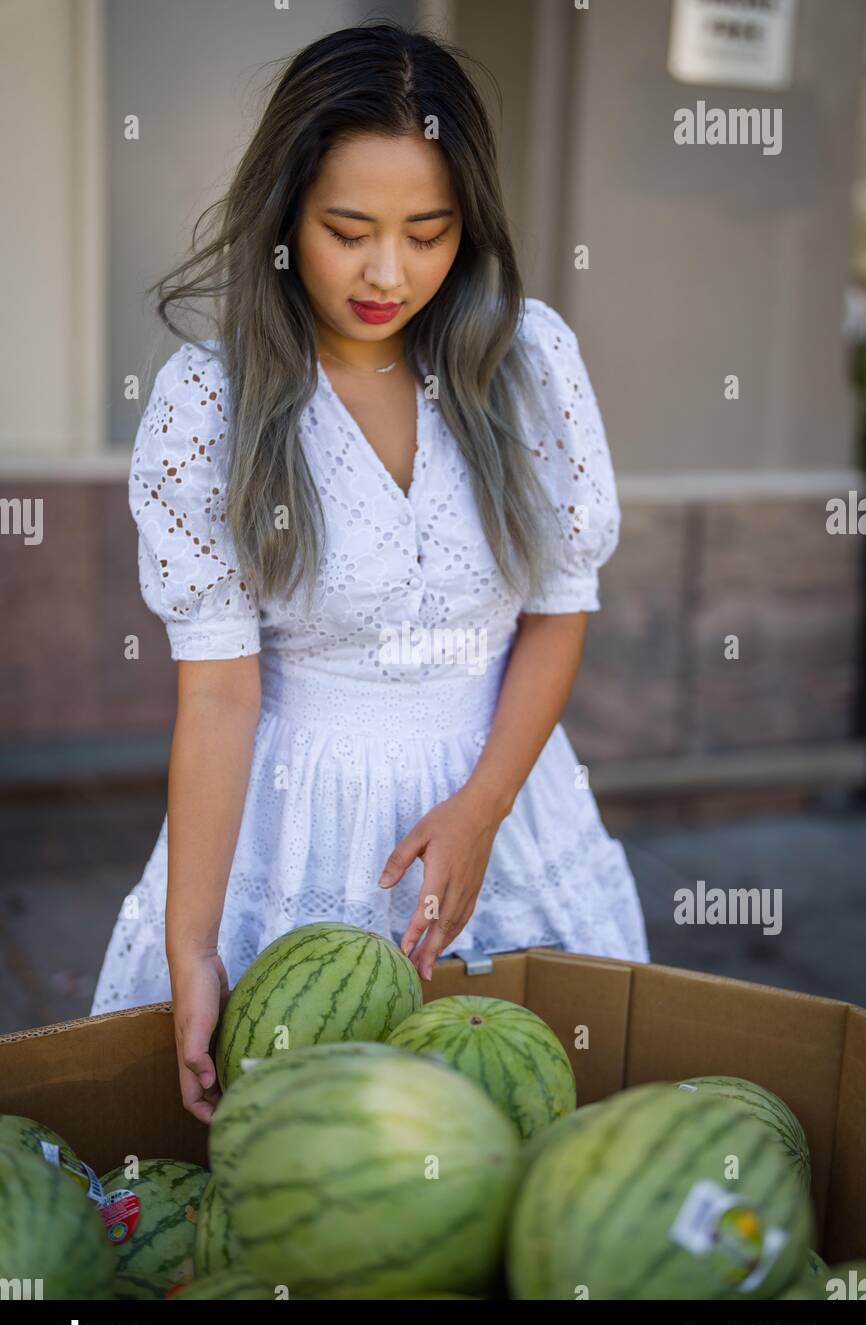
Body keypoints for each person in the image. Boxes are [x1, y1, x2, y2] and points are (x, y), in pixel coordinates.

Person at [90, 21, 649, 1122]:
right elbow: (217, 690)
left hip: (505, 789)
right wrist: (192, 944)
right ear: (286, 215)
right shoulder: (213, 404)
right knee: (312, 1160)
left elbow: (557, 609)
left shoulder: (526, 362)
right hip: (290, 814)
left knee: (530, 1135)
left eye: (426, 232)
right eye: (347, 231)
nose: (387, 273)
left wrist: (482, 807)